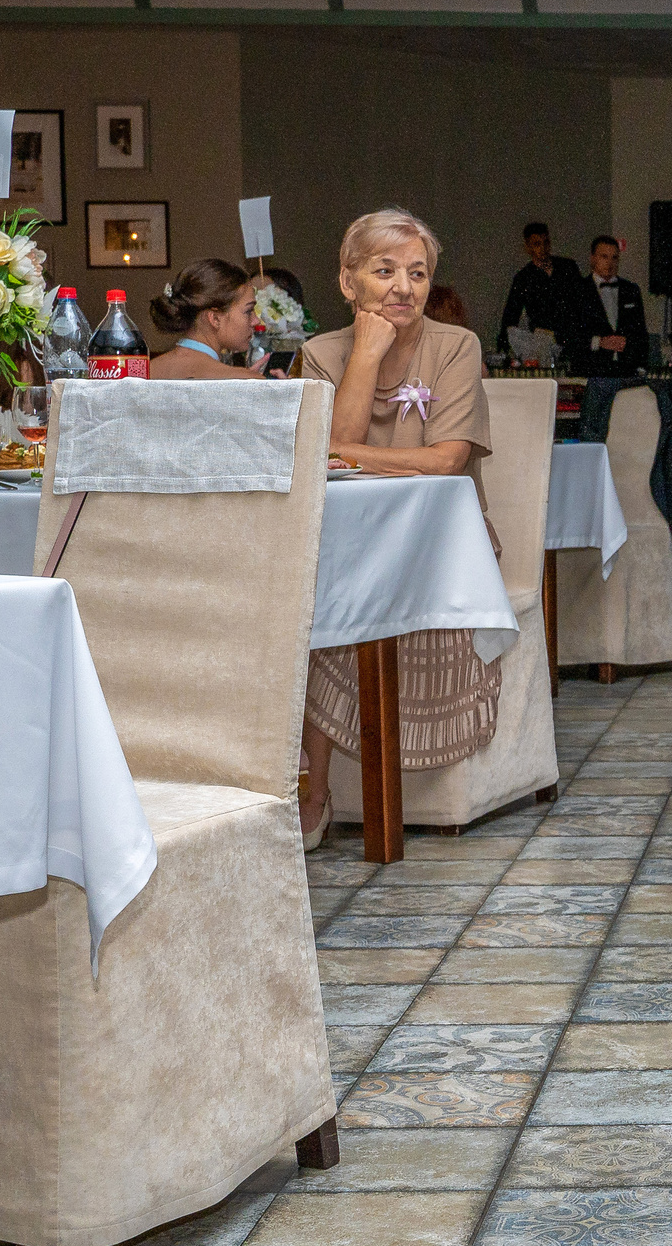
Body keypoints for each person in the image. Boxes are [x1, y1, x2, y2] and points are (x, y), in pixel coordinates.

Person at [295, 210, 499, 840]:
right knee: (318, 598)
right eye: (384, 271)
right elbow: (332, 449)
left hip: (445, 545)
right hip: (347, 546)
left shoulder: (454, 346)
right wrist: (367, 353)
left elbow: (446, 461)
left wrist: (339, 454)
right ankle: (314, 790)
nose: (403, 288)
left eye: (417, 272)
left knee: (339, 604)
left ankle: (332, 785)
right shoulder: (319, 353)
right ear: (348, 282)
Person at [150, 258, 275, 380]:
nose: (256, 321)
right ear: (215, 319)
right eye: (248, 311)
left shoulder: (147, 371)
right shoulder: (244, 381)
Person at [496, 221, 583, 355]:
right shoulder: (524, 278)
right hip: (545, 340)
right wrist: (504, 345)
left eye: (546, 242)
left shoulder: (567, 268)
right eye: (537, 244)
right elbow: (511, 314)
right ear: (528, 247)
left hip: (573, 336)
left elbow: (582, 300)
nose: (542, 248)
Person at [575, 235, 649, 376]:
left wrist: (640, 366)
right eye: (604, 257)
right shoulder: (578, 291)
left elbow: (641, 333)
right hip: (591, 371)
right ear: (593, 258)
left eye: (614, 258)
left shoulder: (631, 290)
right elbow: (569, 335)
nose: (610, 263)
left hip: (626, 369)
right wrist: (599, 342)